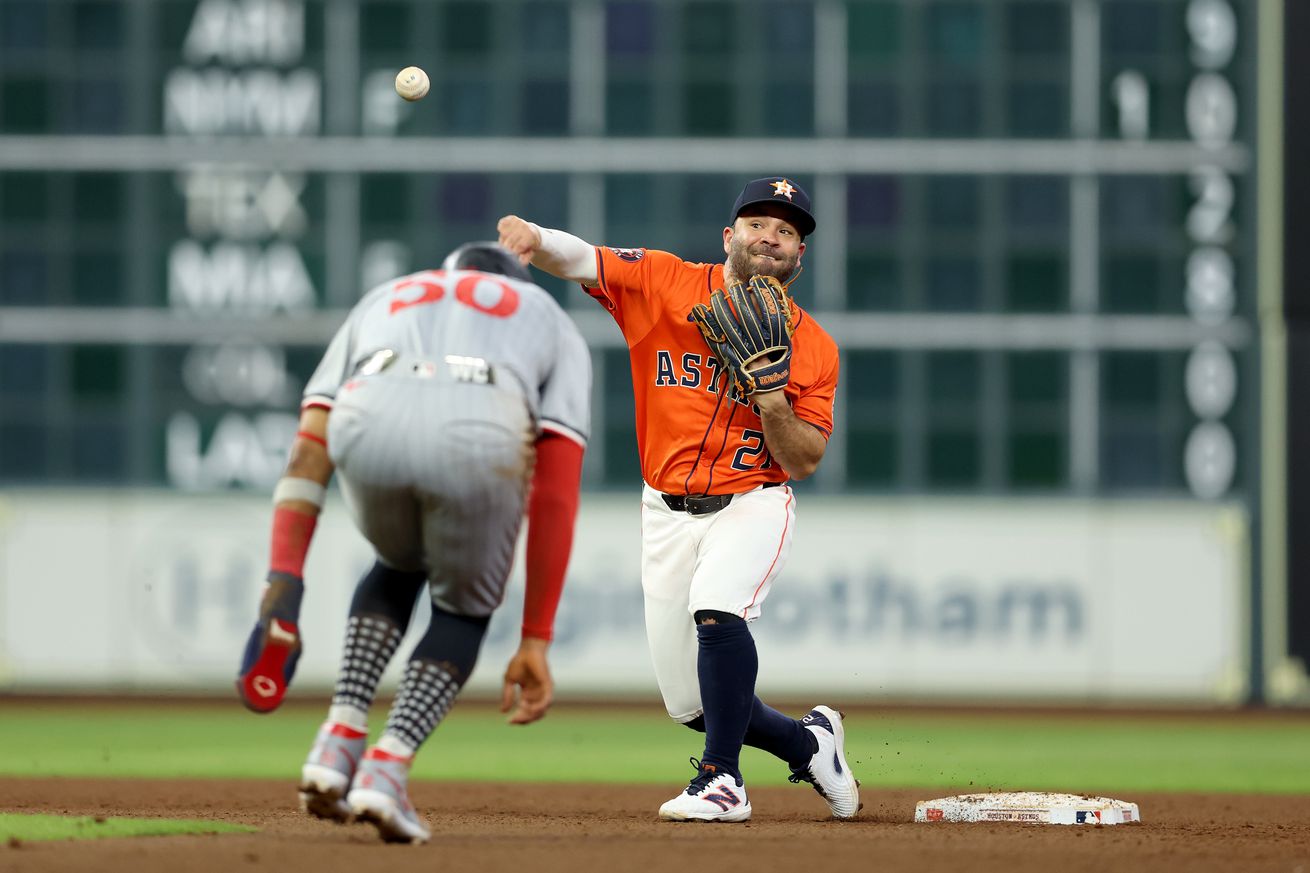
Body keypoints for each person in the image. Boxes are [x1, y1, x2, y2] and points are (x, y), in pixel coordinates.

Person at [496, 177, 859, 823]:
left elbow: (804, 459)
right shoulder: (665, 282)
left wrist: (772, 399)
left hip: (752, 501)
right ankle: (810, 745)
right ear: (728, 237)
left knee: (718, 609)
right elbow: (583, 260)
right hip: (664, 508)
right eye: (757, 224)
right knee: (691, 705)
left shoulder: (816, 347)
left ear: (799, 257)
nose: (770, 237)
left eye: (786, 232)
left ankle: (723, 781)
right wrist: (536, 237)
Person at [235, 242, 592, 844]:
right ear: (516, 282)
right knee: (464, 608)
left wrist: (284, 578)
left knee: (398, 562)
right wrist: (535, 637)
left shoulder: (387, 295)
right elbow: (555, 492)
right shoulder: (548, 317)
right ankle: (387, 767)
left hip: (366, 415)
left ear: (448, 274)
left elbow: (309, 445)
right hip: (482, 420)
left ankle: (337, 741)